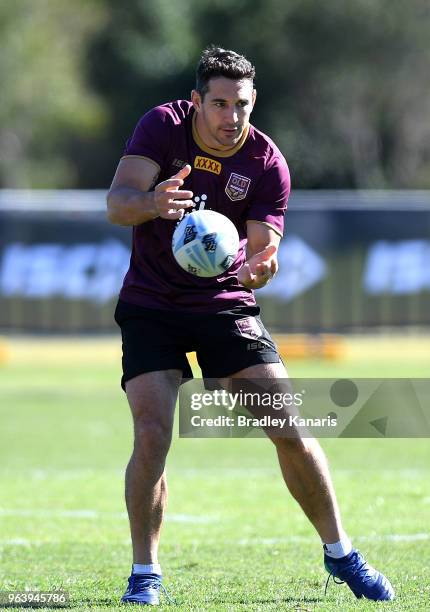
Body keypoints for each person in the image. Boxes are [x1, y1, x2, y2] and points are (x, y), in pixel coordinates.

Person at [107, 46, 394, 606]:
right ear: (196, 101)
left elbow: (263, 251)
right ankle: (145, 573)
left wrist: (261, 268)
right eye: (218, 103)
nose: (230, 116)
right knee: (152, 431)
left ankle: (342, 555)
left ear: (253, 101)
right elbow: (117, 204)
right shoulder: (161, 128)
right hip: (151, 302)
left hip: (223, 303)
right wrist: (152, 202)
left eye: (240, 104)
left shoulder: (267, 164)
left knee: (290, 426)